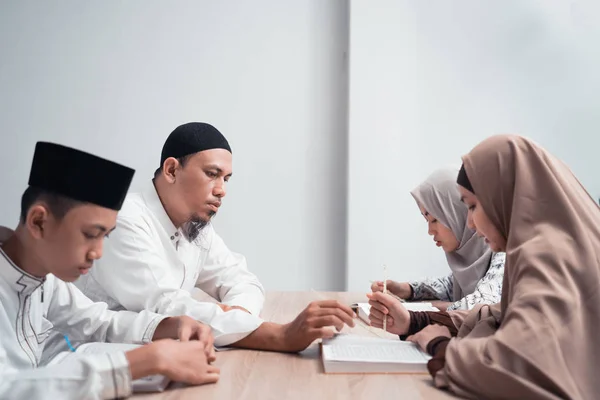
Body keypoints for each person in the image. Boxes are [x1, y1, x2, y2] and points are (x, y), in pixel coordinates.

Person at [74, 122, 356, 351]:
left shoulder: (195, 226)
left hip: (150, 360)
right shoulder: (125, 221)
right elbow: (167, 308)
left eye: (227, 179)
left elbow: (241, 279)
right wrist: (279, 336)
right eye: (212, 174)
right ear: (172, 170)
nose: (222, 190)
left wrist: (239, 313)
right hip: (91, 363)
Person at [368, 135, 599, 399]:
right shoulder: (535, 247)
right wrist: (416, 321)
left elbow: (511, 368)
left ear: (504, 197)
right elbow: (499, 316)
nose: (469, 224)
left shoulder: (546, 255)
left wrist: (438, 346)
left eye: (473, 206)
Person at [0, 142, 219, 399]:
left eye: (105, 236)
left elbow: (96, 321)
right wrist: (142, 362)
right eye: (91, 235)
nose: (98, 252)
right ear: (39, 222)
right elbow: (7, 388)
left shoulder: (41, 276)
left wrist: (171, 325)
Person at [371, 167, 505, 311]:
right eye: (426, 220)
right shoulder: (473, 258)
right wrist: (406, 289)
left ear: (457, 212)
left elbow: (481, 305)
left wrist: (420, 310)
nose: (430, 231)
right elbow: (451, 286)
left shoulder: (503, 250)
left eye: (434, 220)